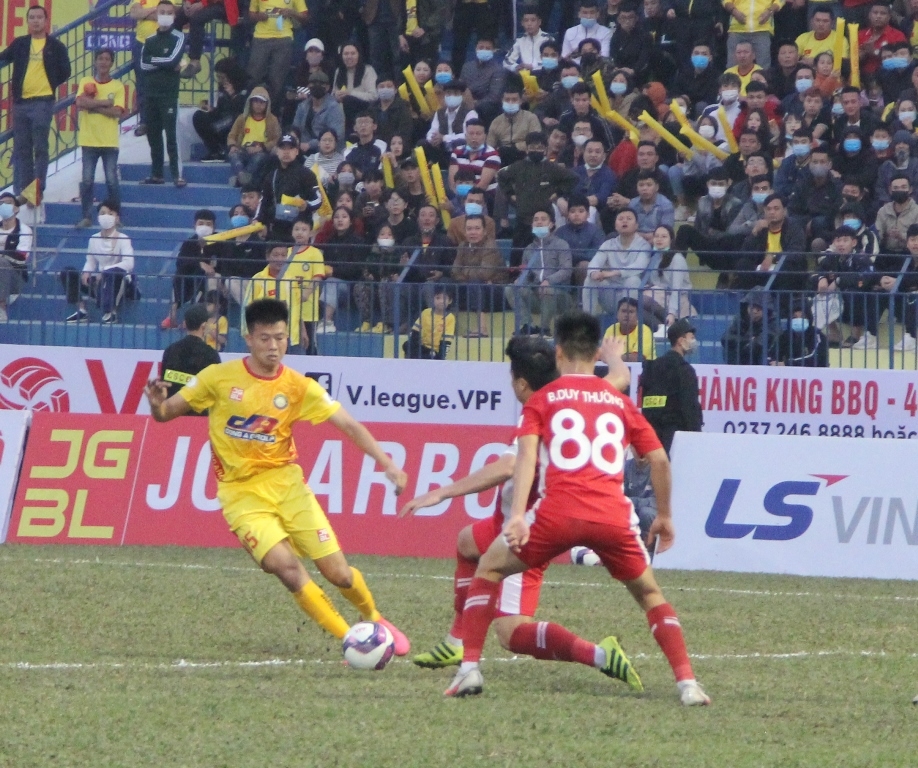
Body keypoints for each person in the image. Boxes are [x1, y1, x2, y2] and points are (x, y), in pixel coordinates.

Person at [444, 311, 710, 706]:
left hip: (556, 516)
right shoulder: (618, 402)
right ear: (596, 351)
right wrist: (666, 516)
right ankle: (688, 684)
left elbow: (526, 460)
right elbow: (659, 461)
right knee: (651, 595)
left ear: (558, 353)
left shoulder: (542, 399)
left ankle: (469, 669)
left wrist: (517, 516)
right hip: (612, 518)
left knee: (490, 567)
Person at [144, 298, 411, 653]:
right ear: (249, 339)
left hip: (289, 488)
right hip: (241, 495)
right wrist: (155, 403)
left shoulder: (298, 386)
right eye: (266, 338)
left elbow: (347, 423)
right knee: (285, 568)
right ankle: (350, 638)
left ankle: (374, 617)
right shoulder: (218, 378)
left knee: (340, 574)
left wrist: (388, 463)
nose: (274, 346)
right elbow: (165, 414)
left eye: (281, 338)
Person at [403, 334, 635, 673]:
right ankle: (456, 643)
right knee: (468, 542)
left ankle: (599, 654)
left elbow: (509, 466)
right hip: (508, 521)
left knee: (511, 634)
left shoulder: (537, 416)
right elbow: (621, 378)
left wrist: (442, 492)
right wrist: (614, 357)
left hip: (525, 531)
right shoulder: (578, 398)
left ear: (522, 383)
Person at [0, 4, 71, 198]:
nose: (36, 20)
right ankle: (24, 190)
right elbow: (4, 56)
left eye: (39, 17)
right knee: (22, 149)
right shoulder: (20, 43)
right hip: (21, 104)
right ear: (27, 21)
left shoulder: (55, 46)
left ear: (46, 21)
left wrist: (49, 83)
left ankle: (37, 189)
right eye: (32, 17)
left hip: (42, 102)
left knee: (40, 147)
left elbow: (66, 71)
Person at [497, 132, 579, 263]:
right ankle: (515, 278)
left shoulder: (552, 168)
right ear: (527, 148)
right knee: (518, 254)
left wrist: (558, 193)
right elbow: (501, 177)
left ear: (545, 149)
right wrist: (510, 194)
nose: (536, 150)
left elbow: (573, 178)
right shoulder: (518, 166)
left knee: (546, 253)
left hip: (545, 219)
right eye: (532, 147)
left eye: (539, 147)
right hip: (523, 219)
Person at [75, 49, 125, 229]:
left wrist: (93, 106)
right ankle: (86, 216)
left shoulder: (118, 86)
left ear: (112, 63)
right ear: (95, 61)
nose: (103, 62)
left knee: (112, 181)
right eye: (100, 59)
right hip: (88, 140)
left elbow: (117, 113)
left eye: (107, 59)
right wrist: (104, 103)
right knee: (87, 180)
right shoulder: (86, 81)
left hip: (109, 141)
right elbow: (80, 103)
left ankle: (115, 217)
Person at [638, 318, 702, 454]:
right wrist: (696, 435)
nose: (693, 341)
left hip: (650, 434)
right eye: (691, 337)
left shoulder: (651, 367)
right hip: (675, 437)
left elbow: (645, 400)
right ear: (680, 340)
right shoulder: (684, 370)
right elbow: (690, 407)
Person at [65, 201, 135, 325]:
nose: (106, 216)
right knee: (67, 272)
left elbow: (129, 263)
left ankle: (111, 312)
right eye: (103, 213)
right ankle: (82, 310)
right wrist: (87, 272)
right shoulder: (93, 239)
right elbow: (90, 261)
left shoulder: (123, 239)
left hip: (119, 281)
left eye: (110, 213)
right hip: (99, 282)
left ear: (117, 218)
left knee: (114, 274)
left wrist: (106, 271)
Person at [507, 208, 573, 336]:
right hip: (536, 294)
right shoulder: (528, 249)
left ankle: (545, 328)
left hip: (560, 295)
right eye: (535, 220)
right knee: (511, 288)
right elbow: (527, 274)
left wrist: (549, 280)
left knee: (547, 290)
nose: (539, 222)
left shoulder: (561, 244)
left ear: (551, 224)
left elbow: (566, 270)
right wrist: (520, 280)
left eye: (543, 219)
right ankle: (528, 325)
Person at [140, 2, 186, 187]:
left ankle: (177, 175)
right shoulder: (150, 39)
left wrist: (156, 62)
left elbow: (174, 60)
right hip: (150, 94)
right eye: (162, 12)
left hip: (168, 95)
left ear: (174, 16)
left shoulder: (178, 37)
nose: (165, 15)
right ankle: (157, 174)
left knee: (172, 137)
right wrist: (166, 65)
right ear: (156, 15)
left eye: (169, 13)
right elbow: (143, 65)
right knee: (153, 136)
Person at [162, 209, 225, 329]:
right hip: (191, 277)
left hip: (211, 279)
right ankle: (172, 315)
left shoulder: (220, 243)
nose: (204, 227)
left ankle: (193, 319)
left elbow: (224, 265)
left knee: (209, 279)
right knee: (179, 275)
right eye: (201, 223)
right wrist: (200, 263)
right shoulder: (189, 243)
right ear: (194, 225)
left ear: (214, 226)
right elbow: (181, 262)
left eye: (208, 224)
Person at [583, 208, 652, 316]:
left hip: (633, 295)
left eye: (629, 219)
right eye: (620, 219)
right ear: (615, 226)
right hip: (611, 294)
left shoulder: (644, 245)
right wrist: (594, 273)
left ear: (636, 226)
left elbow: (639, 266)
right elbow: (595, 261)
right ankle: (587, 320)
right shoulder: (608, 244)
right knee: (590, 279)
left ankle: (628, 321)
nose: (624, 221)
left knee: (633, 280)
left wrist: (611, 273)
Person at [247, 0, 308, 114]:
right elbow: (251, 14)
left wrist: (292, 13)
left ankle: (271, 115)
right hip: (261, 37)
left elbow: (305, 17)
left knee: (277, 81)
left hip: (284, 39)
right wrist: (259, 16)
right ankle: (251, 112)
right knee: (254, 77)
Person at [160, 303, 222, 401]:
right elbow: (216, 390)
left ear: (185, 324)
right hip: (199, 413)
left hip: (172, 411)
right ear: (204, 326)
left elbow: (163, 386)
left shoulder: (170, 350)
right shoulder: (211, 355)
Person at [193, 57, 250, 163]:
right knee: (198, 116)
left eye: (222, 77)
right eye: (218, 77)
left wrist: (233, 95)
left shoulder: (246, 86)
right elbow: (221, 109)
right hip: (224, 120)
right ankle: (215, 152)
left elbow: (245, 110)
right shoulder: (222, 87)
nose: (220, 80)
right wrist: (211, 110)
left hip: (238, 123)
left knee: (232, 119)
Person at [226, 88, 280, 188]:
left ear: (267, 104)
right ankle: (241, 175)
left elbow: (276, 139)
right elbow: (232, 135)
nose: (258, 105)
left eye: (262, 102)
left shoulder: (272, 120)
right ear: (250, 102)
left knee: (259, 158)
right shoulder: (242, 118)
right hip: (244, 149)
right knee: (233, 155)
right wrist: (232, 146)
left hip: (262, 151)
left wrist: (262, 147)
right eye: (256, 101)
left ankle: (241, 180)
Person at [643, 225, 694, 330]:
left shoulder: (677, 259)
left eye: (664, 236)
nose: (659, 239)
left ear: (671, 240)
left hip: (674, 299)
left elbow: (676, 289)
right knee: (634, 305)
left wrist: (671, 313)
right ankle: (662, 328)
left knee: (642, 300)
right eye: (656, 236)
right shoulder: (655, 258)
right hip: (657, 296)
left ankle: (667, 325)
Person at [722, 288, 781, 364]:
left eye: (759, 309)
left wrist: (747, 342)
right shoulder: (741, 317)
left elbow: (762, 342)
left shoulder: (773, 320)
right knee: (729, 348)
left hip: (763, 357)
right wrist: (748, 340)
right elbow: (725, 338)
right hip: (742, 355)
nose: (754, 312)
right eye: (752, 307)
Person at [294, 71, 347, 156]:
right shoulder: (303, 106)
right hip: (303, 150)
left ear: (327, 87)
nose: (317, 86)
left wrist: (310, 145)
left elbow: (337, 134)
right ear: (308, 86)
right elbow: (295, 129)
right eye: (313, 83)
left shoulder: (334, 107)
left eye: (321, 84)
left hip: (329, 152)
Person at [0, 192, 33, 323]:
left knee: (1, 262)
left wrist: (2, 255)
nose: (4, 206)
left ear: (16, 208)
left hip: (15, 275)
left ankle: (1, 307)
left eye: (8, 203)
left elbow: (21, 256)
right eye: (1, 203)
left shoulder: (24, 230)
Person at [402, 285, 456, 359]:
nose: (441, 301)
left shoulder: (450, 318)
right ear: (433, 299)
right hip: (422, 346)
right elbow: (415, 331)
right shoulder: (426, 312)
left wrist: (441, 356)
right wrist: (412, 346)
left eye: (444, 299)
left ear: (450, 301)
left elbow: (446, 340)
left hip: (434, 350)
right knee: (406, 345)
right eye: (438, 298)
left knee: (428, 357)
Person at [773, 301, 829, 367]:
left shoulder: (818, 335)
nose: (799, 319)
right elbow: (772, 354)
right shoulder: (785, 336)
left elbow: (815, 357)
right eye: (794, 317)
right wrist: (772, 362)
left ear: (809, 318)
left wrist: (787, 364)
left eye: (803, 317)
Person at [604, 297, 657, 362]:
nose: (627, 315)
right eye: (623, 311)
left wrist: (611, 357)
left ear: (637, 316)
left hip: (644, 370)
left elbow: (636, 358)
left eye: (631, 312)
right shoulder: (611, 329)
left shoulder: (644, 330)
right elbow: (603, 354)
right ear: (617, 314)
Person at [504, 6, 553, 72]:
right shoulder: (520, 41)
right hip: (525, 76)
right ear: (522, 23)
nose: (529, 24)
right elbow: (507, 61)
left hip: (544, 75)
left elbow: (552, 62)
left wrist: (533, 67)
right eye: (526, 21)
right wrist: (516, 67)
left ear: (539, 22)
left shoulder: (548, 39)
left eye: (533, 20)